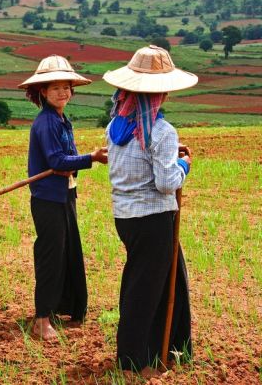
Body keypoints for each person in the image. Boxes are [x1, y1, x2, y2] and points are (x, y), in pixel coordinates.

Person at [102, 45, 196, 376]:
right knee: (145, 291)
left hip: (125, 217)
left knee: (148, 282)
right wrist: (184, 164)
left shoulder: (115, 127)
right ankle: (133, 363)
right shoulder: (162, 131)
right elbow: (166, 182)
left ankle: (166, 349)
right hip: (154, 219)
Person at [18, 55, 108, 341]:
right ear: (42, 91)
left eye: (66, 87)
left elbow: (65, 159)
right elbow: (57, 160)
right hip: (48, 199)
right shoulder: (46, 122)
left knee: (67, 251)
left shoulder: (61, 119)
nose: (62, 92)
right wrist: (91, 158)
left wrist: (82, 160)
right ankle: (41, 319)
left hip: (65, 195)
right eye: (55, 88)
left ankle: (61, 307)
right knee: (50, 256)